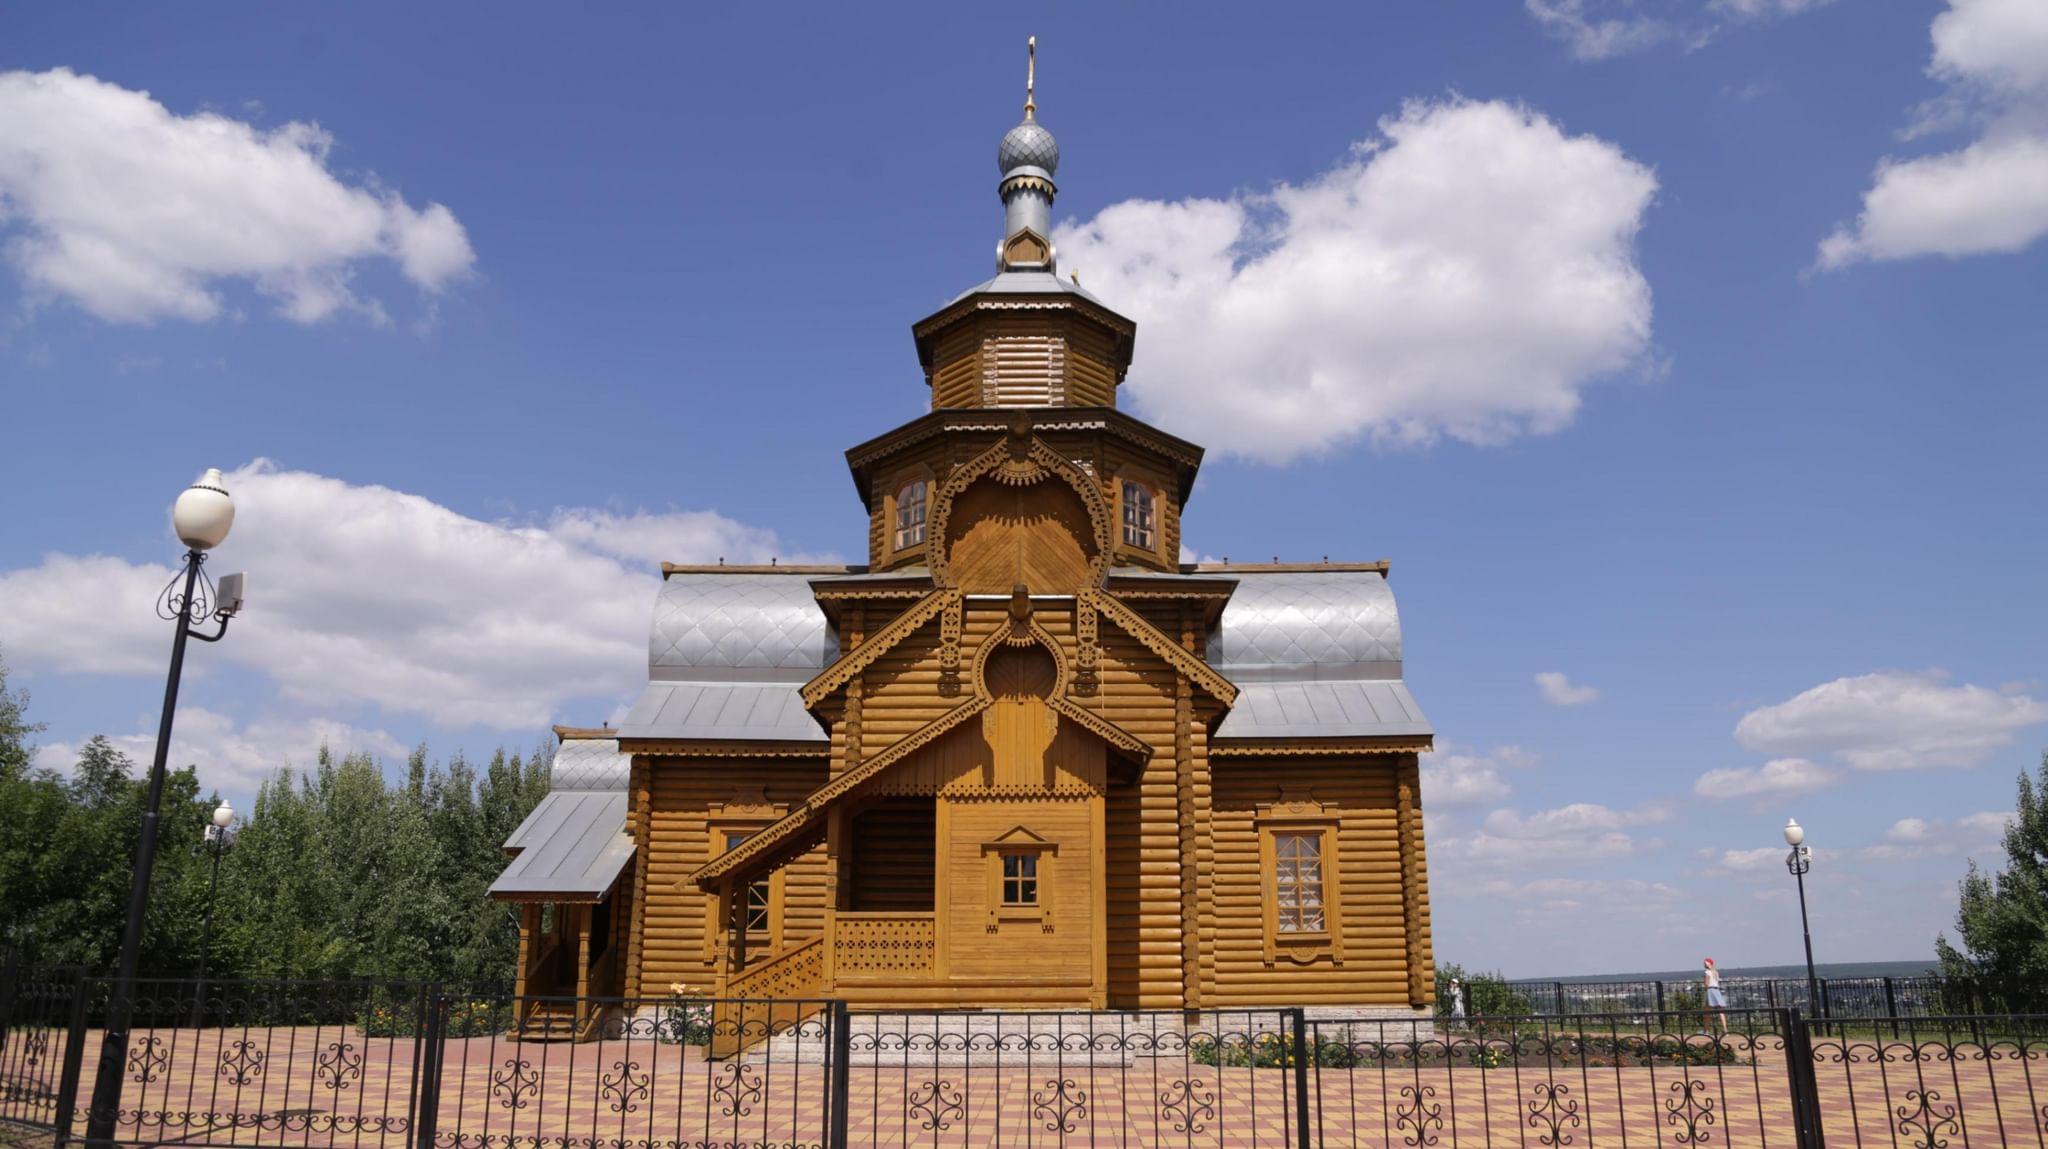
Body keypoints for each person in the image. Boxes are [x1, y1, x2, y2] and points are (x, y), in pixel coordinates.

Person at [1702, 957, 1728, 1036]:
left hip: (1710, 991)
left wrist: (1704, 984)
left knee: (1707, 1013)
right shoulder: (1715, 972)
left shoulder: (1707, 972)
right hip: (1717, 991)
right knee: (1721, 1012)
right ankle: (1725, 1030)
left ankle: (1706, 1031)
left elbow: (1706, 984)